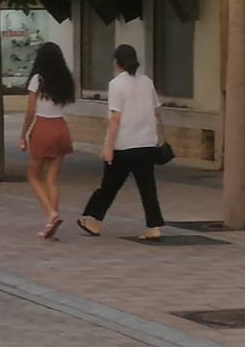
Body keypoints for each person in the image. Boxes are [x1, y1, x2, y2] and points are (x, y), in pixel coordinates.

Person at [78, 44, 166, 242]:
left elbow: (115, 118)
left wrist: (108, 146)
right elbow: (157, 110)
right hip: (146, 143)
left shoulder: (116, 84)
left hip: (124, 145)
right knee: (147, 188)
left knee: (109, 186)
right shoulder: (147, 82)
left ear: (117, 62)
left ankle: (94, 220)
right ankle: (154, 227)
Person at [19, 41, 76, 240]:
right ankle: (52, 221)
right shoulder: (65, 79)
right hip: (61, 127)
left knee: (33, 175)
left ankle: (51, 214)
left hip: (43, 127)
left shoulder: (38, 79)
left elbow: (31, 110)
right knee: (52, 178)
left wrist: (24, 134)